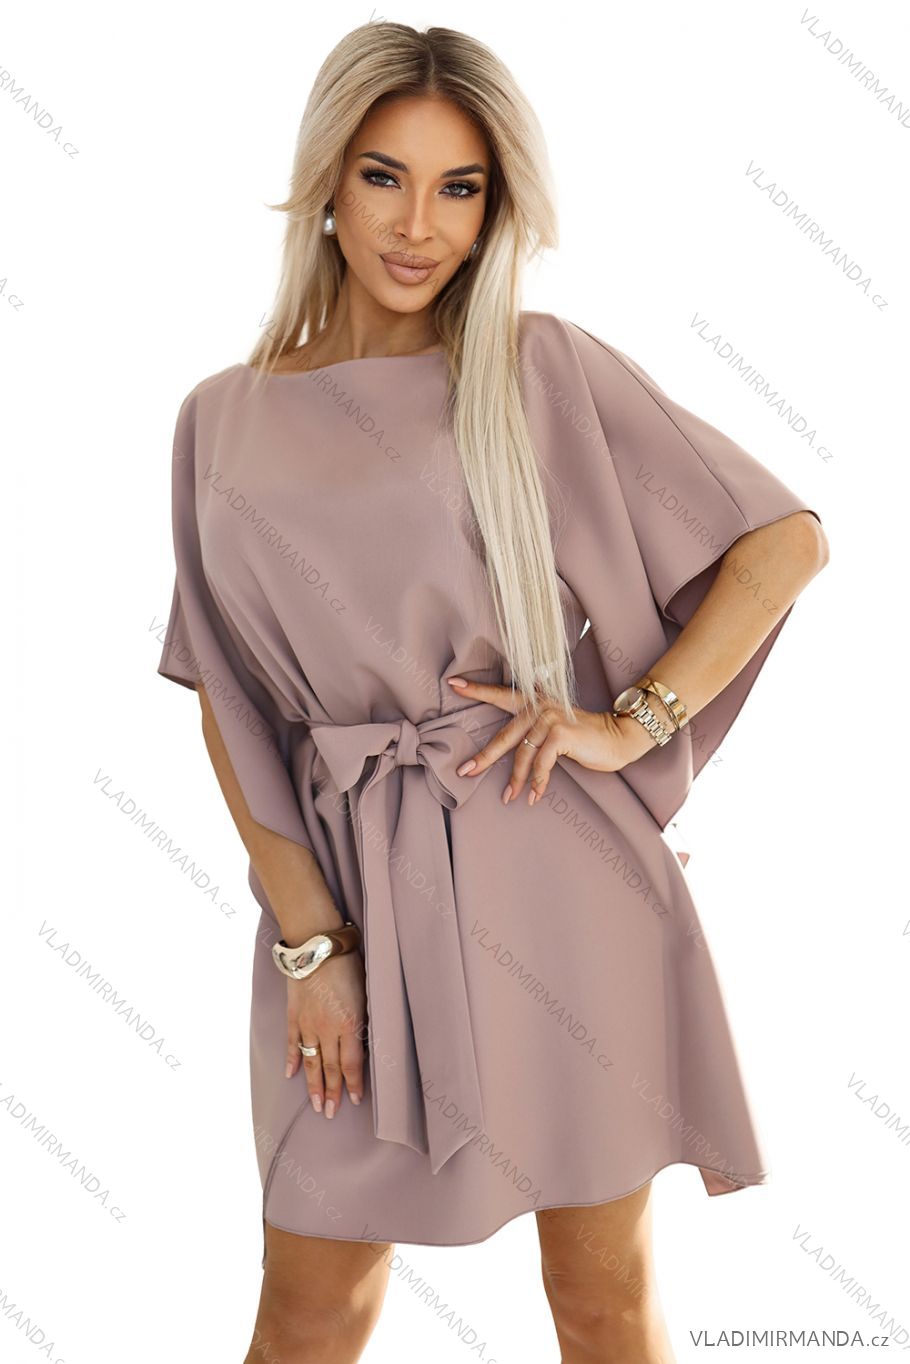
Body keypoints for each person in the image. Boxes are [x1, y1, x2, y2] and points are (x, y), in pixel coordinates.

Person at [156, 21, 829, 1364]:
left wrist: (628, 723)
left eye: (458, 188)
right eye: (383, 177)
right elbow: (227, 694)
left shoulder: (532, 369)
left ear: (494, 208)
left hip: (553, 882)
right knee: (308, 1308)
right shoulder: (219, 417)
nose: (419, 226)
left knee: (599, 1301)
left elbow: (782, 544)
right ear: (327, 183)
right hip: (346, 889)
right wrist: (312, 947)